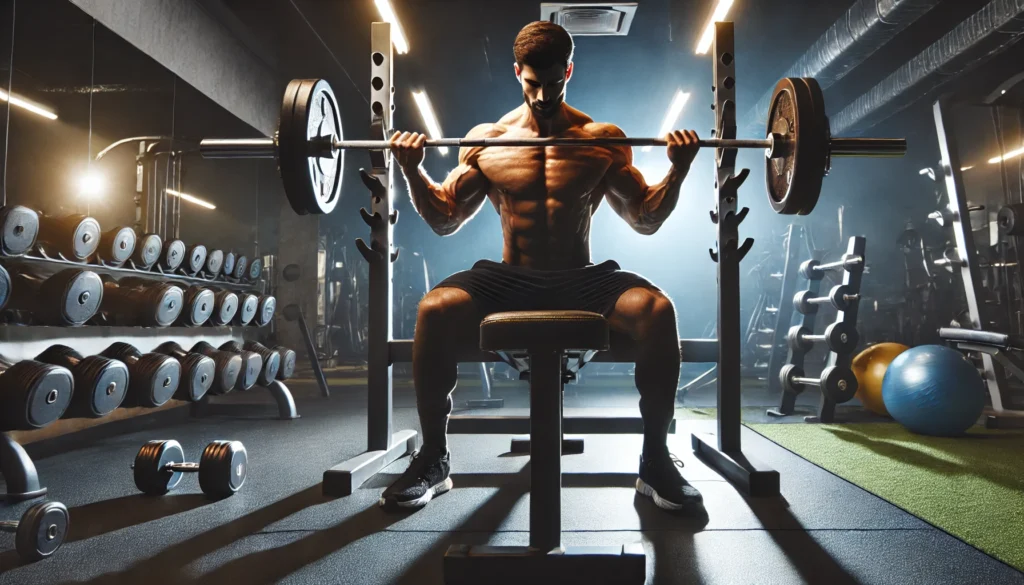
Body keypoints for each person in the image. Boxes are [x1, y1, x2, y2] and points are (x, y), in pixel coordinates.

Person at [382, 21, 702, 513]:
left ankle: (655, 461)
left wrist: (678, 170)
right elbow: (445, 219)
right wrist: (411, 169)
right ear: (518, 73)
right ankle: (433, 458)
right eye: (533, 83)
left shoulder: (600, 140)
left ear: (568, 71)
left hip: (583, 278)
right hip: (510, 278)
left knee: (658, 310)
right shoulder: (489, 141)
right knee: (434, 308)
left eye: (554, 82)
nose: (544, 94)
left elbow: (644, 218)